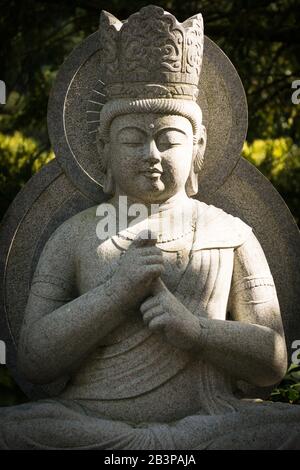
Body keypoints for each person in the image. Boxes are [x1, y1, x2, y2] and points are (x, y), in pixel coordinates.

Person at [0, 6, 299, 450]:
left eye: (168, 139)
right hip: (92, 418)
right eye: (132, 139)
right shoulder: (77, 235)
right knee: (13, 429)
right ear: (103, 147)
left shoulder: (231, 233)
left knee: (288, 427)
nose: (152, 154)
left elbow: (272, 360)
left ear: (197, 148)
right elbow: (34, 359)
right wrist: (115, 293)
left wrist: (196, 331)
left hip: (208, 423)